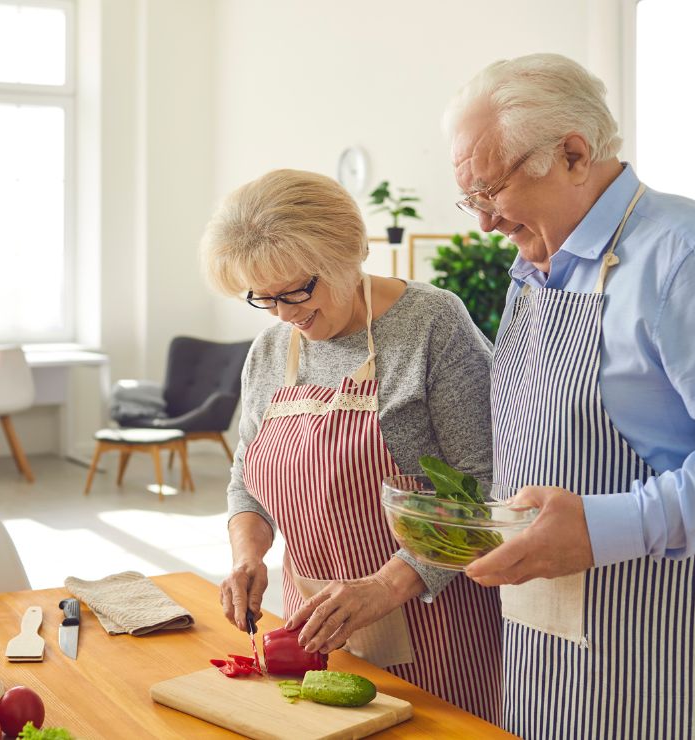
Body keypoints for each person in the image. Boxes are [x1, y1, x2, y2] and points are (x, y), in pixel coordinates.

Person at [447, 53, 695, 738]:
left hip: (682, 624)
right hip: (550, 633)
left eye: (490, 192)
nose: (483, 222)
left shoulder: (692, 254)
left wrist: (603, 529)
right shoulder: (535, 267)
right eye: (470, 199)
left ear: (573, 154)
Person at [201, 169, 501, 721]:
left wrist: (384, 586)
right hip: (315, 631)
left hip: (434, 626)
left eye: (297, 290)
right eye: (264, 298)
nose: (285, 314)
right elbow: (248, 481)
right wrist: (248, 556)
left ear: (347, 254)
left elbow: (483, 489)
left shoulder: (431, 324)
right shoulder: (269, 351)